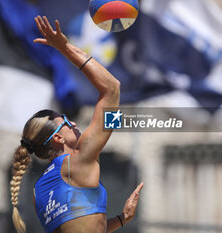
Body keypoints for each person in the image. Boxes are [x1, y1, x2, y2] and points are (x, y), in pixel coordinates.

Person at [10, 15, 144, 233]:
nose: (72, 122)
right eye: (64, 121)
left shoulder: (39, 190)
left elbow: (82, 226)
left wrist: (122, 219)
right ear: (58, 138)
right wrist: (65, 48)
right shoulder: (79, 161)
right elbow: (112, 88)